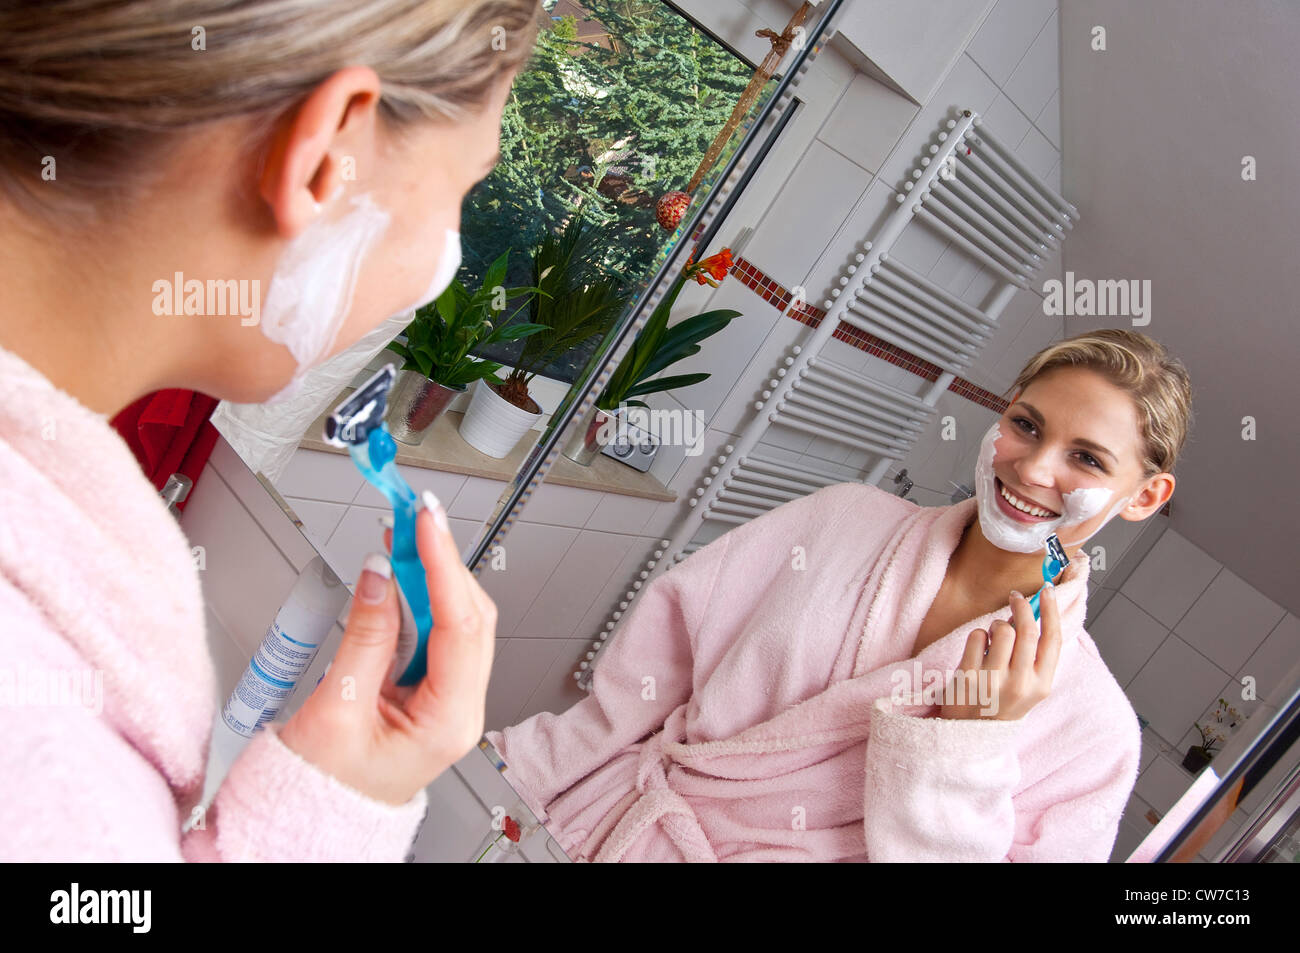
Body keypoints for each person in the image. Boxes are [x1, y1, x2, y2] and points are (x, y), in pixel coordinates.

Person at [0, 0, 542, 861]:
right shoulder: (48, 763)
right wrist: (333, 817)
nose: (447, 257)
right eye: (465, 188)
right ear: (331, 154)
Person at [486, 329, 1194, 862]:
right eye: (1027, 425)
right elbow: (643, 683)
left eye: (1087, 458)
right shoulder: (845, 518)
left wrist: (970, 747)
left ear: (1145, 496)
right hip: (591, 829)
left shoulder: (1092, 729)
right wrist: (507, 770)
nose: (1034, 466)